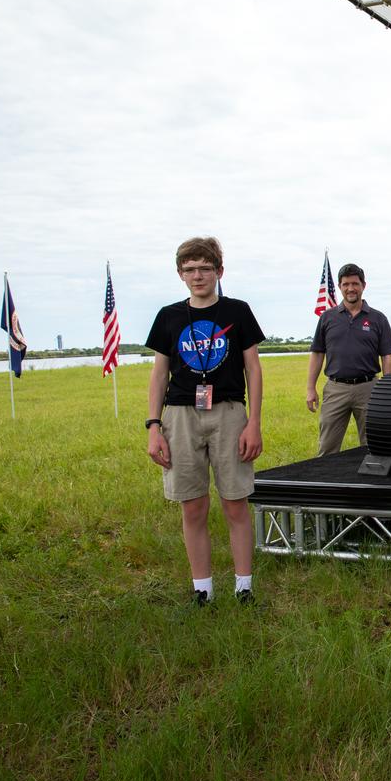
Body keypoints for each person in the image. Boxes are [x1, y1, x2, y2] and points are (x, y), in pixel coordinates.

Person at [146, 237, 265, 606]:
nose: (198, 275)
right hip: (180, 415)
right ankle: (203, 589)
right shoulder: (169, 316)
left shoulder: (237, 311)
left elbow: (253, 368)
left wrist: (254, 423)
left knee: (235, 501)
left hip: (229, 413)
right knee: (193, 505)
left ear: (219, 272)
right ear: (181, 274)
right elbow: (159, 374)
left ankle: (243, 586)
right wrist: (153, 426)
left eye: (205, 268)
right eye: (190, 269)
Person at [306, 263, 391, 456]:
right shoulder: (327, 318)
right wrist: (310, 388)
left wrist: (388, 391)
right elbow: (317, 353)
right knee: (327, 447)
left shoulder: (378, 319)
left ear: (364, 285)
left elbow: (387, 357)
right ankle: (327, 483)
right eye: (346, 284)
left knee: (374, 445)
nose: (350, 288)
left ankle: (372, 483)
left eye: (355, 283)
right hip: (335, 389)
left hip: (369, 389)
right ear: (339, 286)